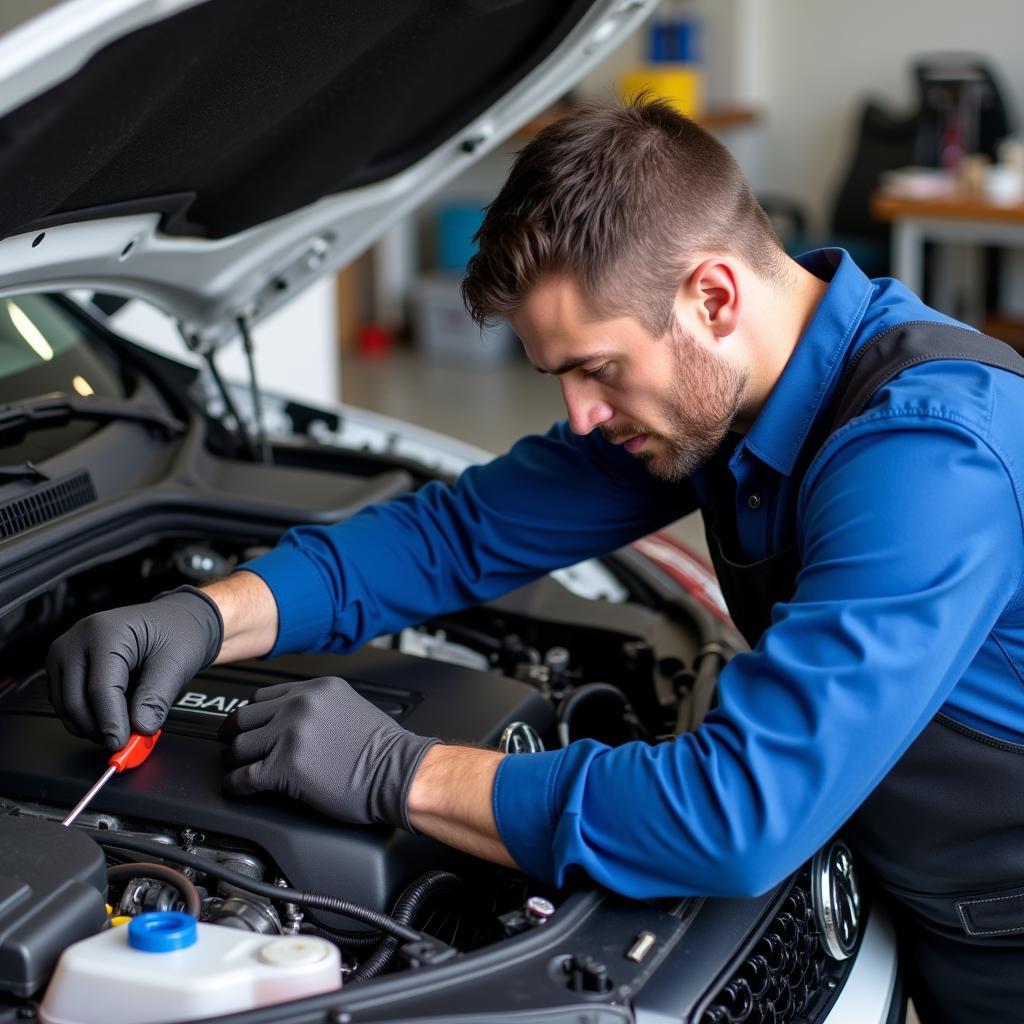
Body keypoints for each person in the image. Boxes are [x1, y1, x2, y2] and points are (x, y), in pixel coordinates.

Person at [47, 99, 1024, 1021]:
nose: (581, 415)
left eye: (597, 368)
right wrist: (207, 615)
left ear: (712, 296)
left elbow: (740, 815)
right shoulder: (729, 390)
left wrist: (400, 770)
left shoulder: (926, 460)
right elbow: (456, 534)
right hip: (926, 884)